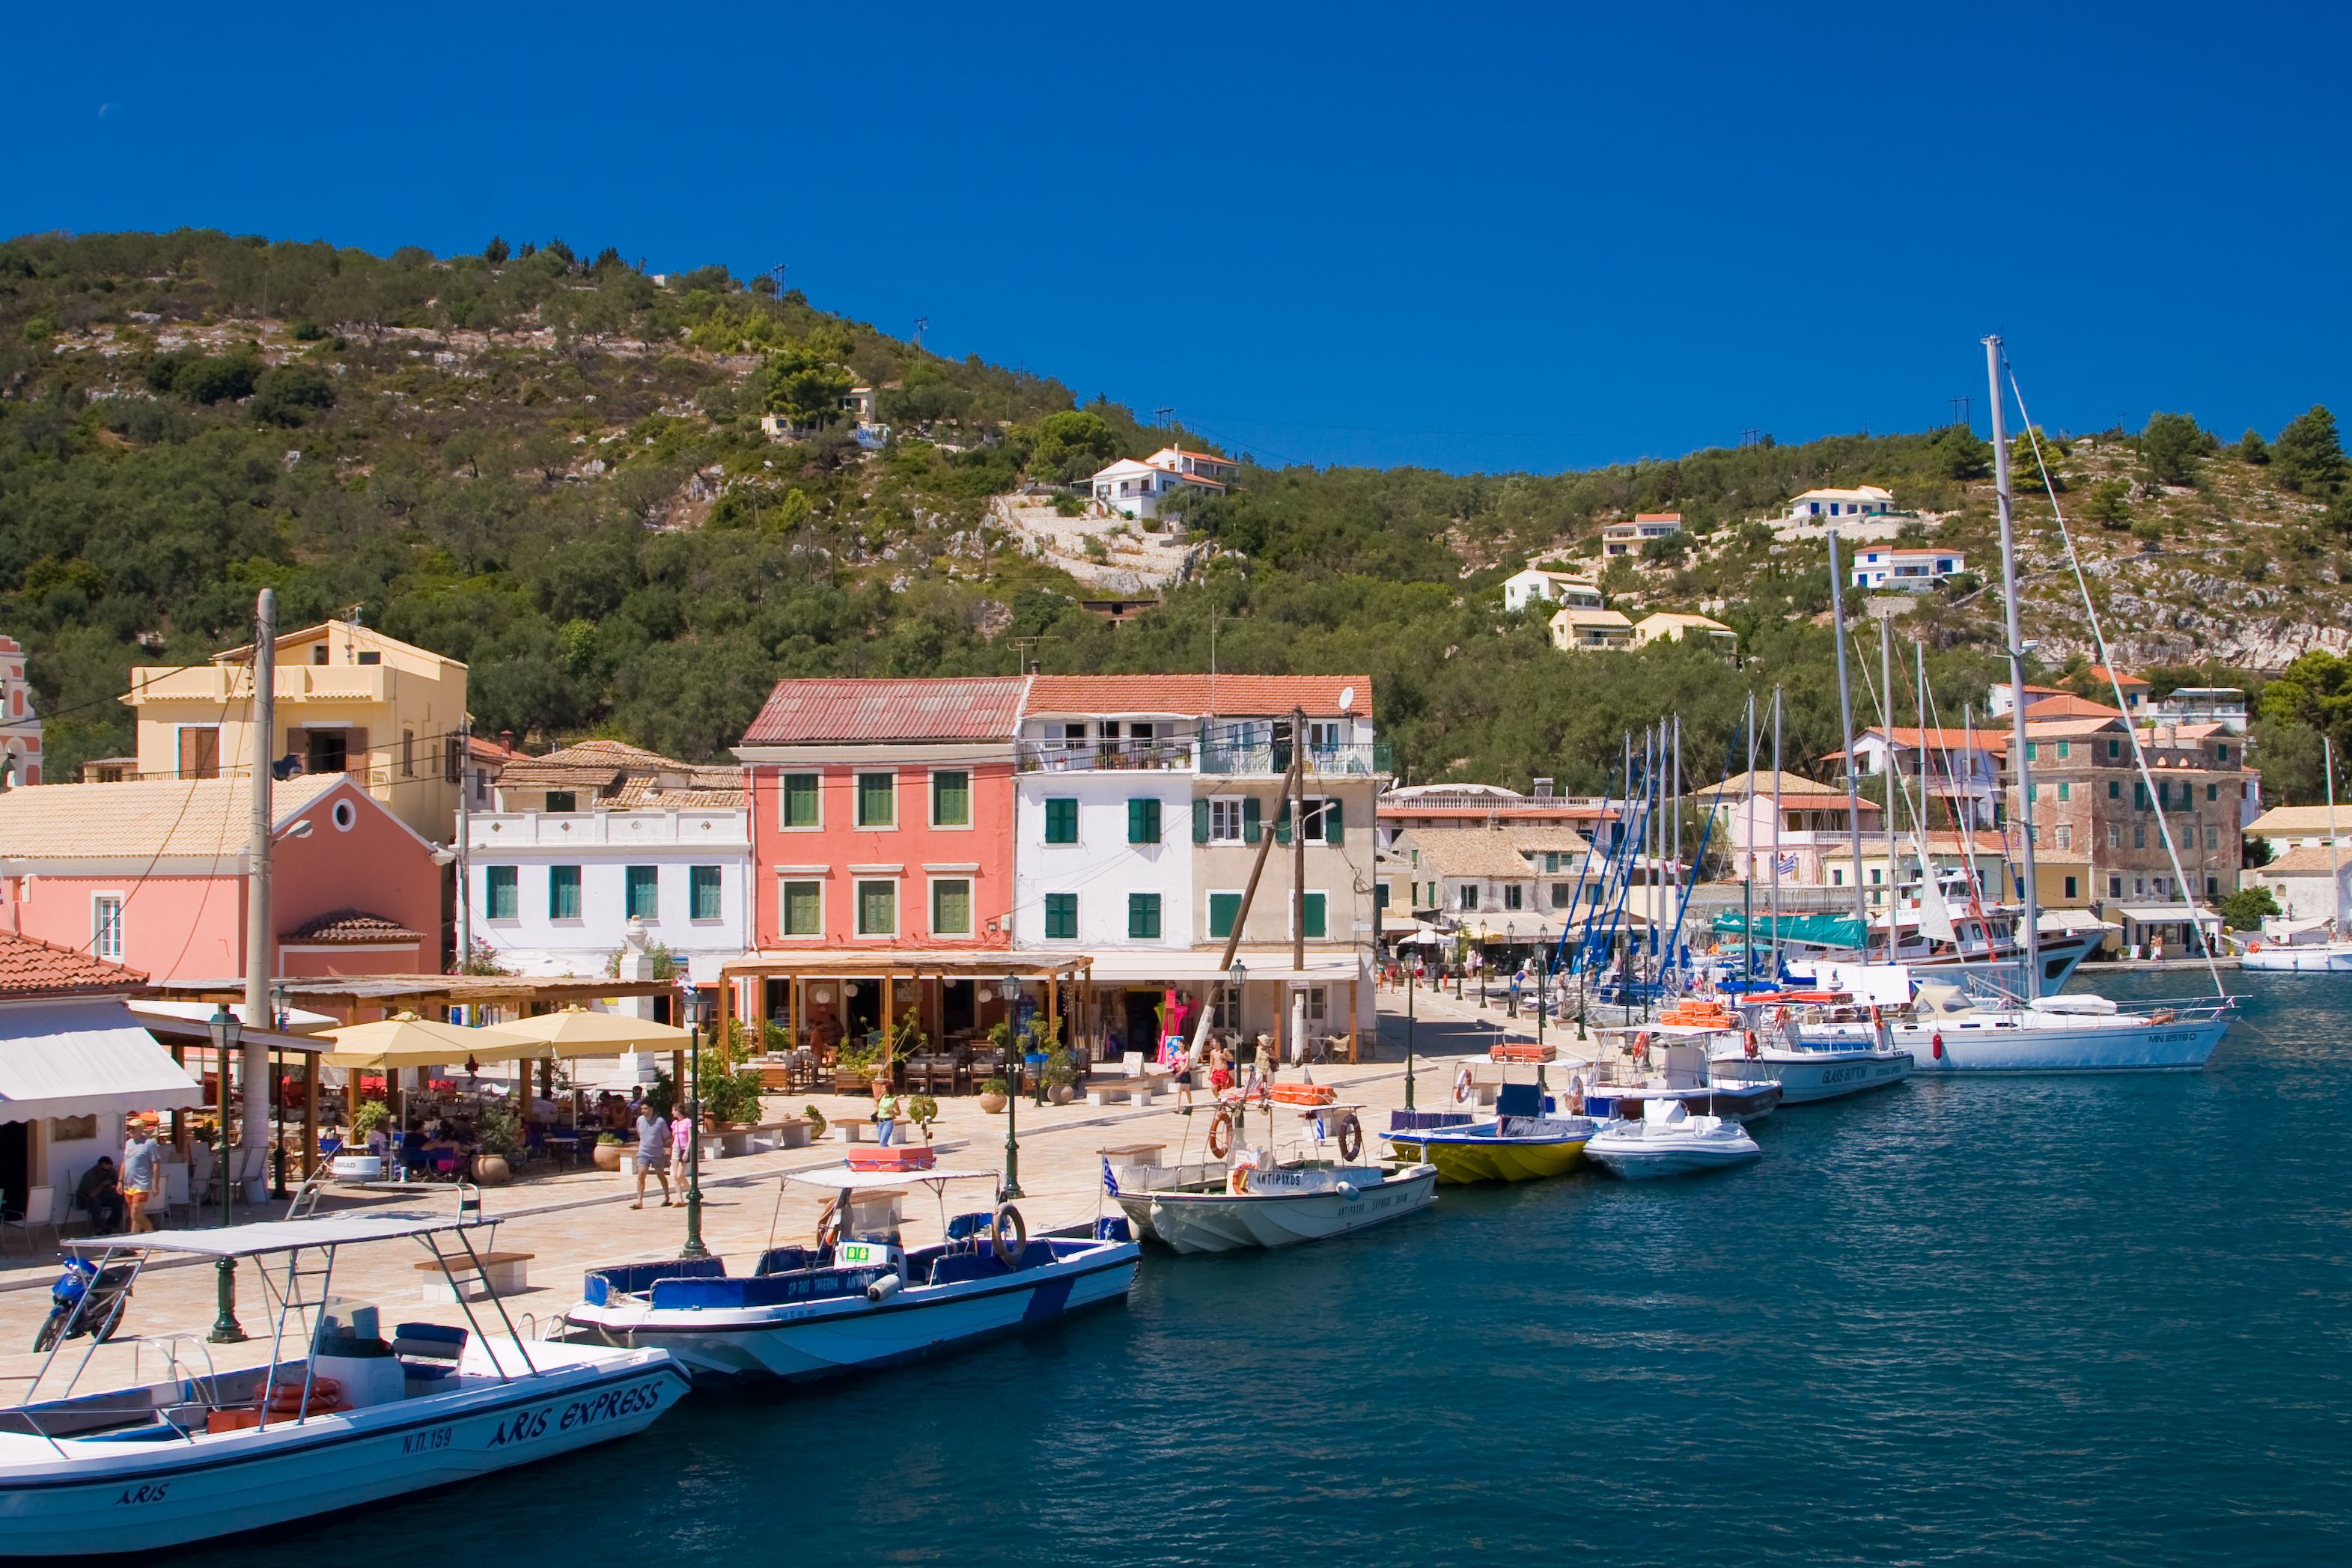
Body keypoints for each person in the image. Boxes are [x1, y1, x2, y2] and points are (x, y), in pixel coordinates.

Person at [120, 1123, 162, 1234]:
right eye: (129, 1128)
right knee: (135, 1215)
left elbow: (156, 1163)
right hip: (129, 1184)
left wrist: (155, 1184)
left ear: (140, 1129)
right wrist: (120, 1181)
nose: (130, 1130)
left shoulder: (149, 1144)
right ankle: (149, 1234)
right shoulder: (129, 1143)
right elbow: (125, 1162)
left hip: (141, 1183)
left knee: (135, 1213)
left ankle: (133, 1241)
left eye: (133, 1128)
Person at [633, 1100, 672, 1209]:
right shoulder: (640, 1120)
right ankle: (639, 1201)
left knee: (660, 1174)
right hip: (643, 1152)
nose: (643, 1111)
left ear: (651, 1109)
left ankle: (667, 1197)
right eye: (642, 1109)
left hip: (657, 1153)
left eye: (645, 1109)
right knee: (641, 1174)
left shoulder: (660, 1122)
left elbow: (666, 1136)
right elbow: (640, 1134)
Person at [76, 1157, 125, 1235]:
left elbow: (117, 1187)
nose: (105, 1172)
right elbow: (92, 1194)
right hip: (85, 1199)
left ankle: (110, 1225)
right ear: (99, 1167)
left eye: (108, 1170)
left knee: (119, 1199)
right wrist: (103, 1184)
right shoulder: (90, 1175)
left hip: (103, 1198)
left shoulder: (111, 1172)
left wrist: (114, 1187)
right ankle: (99, 1227)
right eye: (103, 1170)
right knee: (95, 1202)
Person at [874, 1082, 900, 1147]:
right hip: (880, 1121)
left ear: (888, 1089)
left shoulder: (893, 1099)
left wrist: (892, 1112)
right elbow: (876, 1100)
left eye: (883, 1088)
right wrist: (876, 1103)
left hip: (888, 1122)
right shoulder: (882, 1096)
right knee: (882, 1142)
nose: (881, 1089)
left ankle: (885, 1153)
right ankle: (887, 1152)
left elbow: (899, 1112)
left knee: (883, 1143)